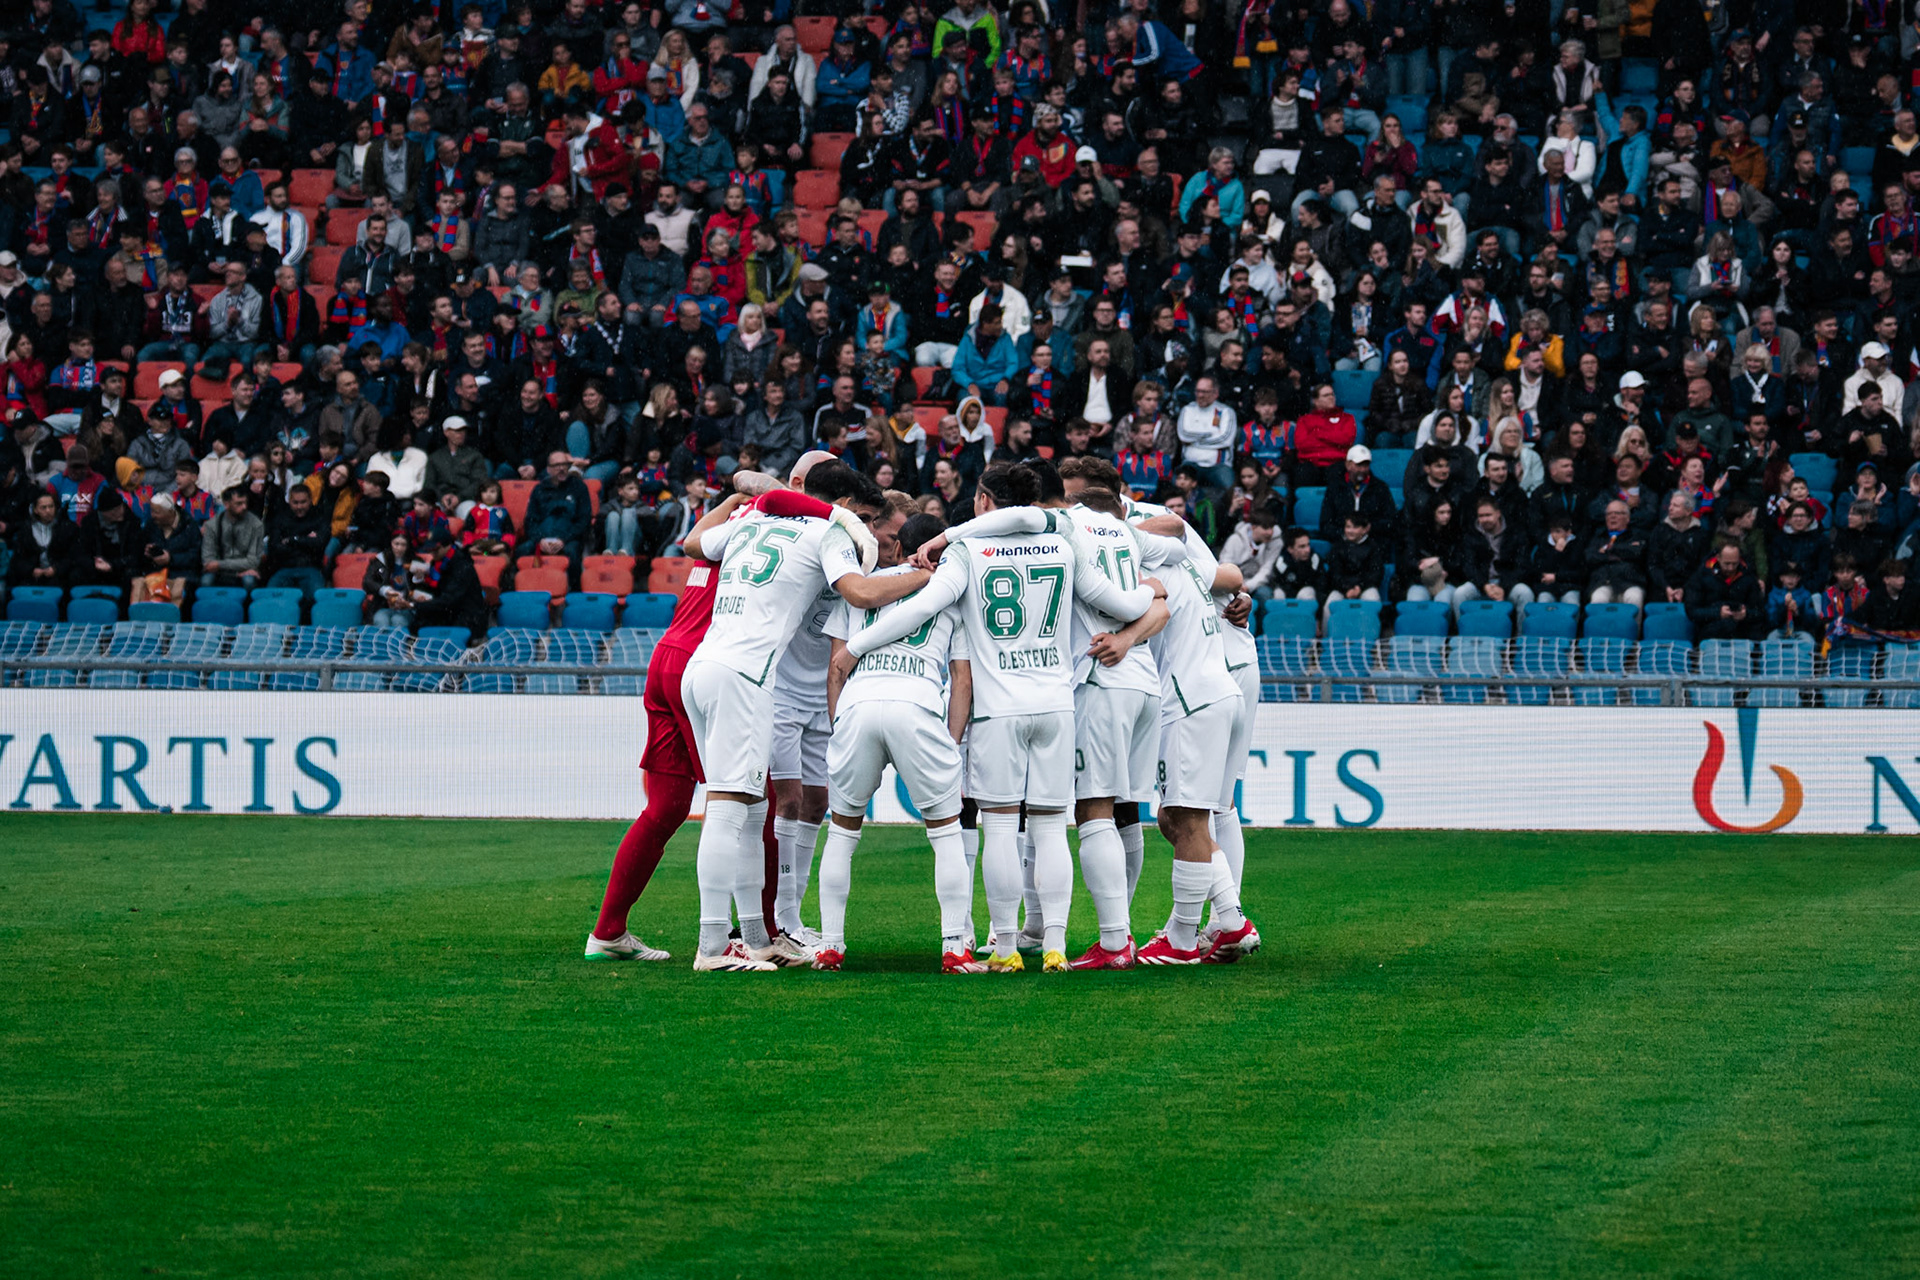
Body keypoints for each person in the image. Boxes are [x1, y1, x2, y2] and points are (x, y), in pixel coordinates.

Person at [847, 465, 1162, 972]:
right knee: (1051, 828)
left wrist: (855, 648)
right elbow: (1122, 603)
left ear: (984, 501)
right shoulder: (1063, 541)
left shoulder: (968, 554)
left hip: (998, 711)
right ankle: (1056, 945)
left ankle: (1008, 947)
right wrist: (1152, 593)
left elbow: (918, 607)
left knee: (998, 829)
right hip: (1056, 703)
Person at [681, 464, 917, 972]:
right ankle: (712, 945)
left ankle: (754, 938)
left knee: (749, 810)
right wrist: (926, 578)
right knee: (727, 808)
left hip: (703, 666)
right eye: (866, 518)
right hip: (745, 675)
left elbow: (694, 545)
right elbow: (862, 593)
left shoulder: (754, 521)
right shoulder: (828, 530)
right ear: (847, 506)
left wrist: (738, 494)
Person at [815, 513, 975, 971]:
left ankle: (830, 945)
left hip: (859, 704)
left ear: (901, 546)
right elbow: (962, 680)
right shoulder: (954, 592)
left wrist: (838, 724)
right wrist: (951, 741)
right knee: (945, 835)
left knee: (842, 834)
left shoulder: (864, 586)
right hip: (916, 704)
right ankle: (953, 947)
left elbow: (835, 668)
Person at [200, 483, 264, 589]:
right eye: (239, 503)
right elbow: (208, 561)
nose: (244, 507)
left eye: (245, 503)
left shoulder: (256, 525)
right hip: (221, 570)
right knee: (206, 582)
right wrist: (225, 568)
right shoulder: (212, 525)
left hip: (242, 569)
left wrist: (220, 565)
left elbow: (253, 561)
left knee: (249, 581)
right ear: (226, 504)